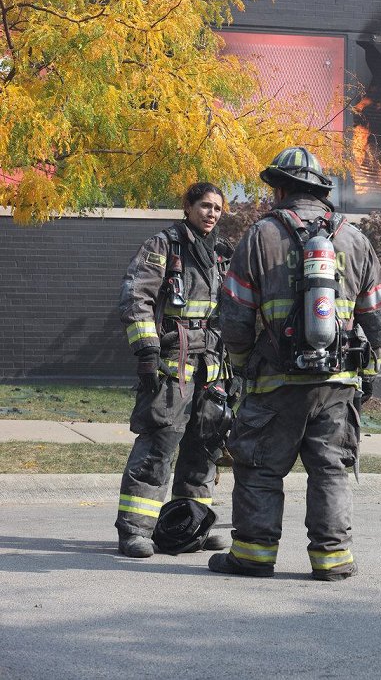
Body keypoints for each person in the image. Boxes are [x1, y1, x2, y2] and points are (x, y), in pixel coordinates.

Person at [208, 147, 381, 580]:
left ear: (282, 188)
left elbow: (235, 313)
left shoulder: (262, 235)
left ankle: (253, 556)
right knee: (330, 470)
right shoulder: (354, 238)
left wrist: (241, 364)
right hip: (337, 382)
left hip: (275, 381)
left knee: (259, 467)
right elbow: (379, 317)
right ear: (319, 192)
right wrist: (367, 369)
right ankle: (333, 560)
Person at [115, 182, 234, 557]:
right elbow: (137, 295)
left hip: (212, 362)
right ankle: (135, 530)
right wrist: (147, 350)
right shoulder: (162, 246)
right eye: (204, 205)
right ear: (187, 206)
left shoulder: (221, 253)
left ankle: (192, 522)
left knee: (205, 442)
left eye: (217, 207)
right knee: (160, 441)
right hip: (173, 362)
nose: (211, 213)